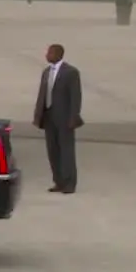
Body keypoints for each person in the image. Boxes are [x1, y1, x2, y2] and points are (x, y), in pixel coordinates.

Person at [33, 44, 84, 194]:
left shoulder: (71, 73)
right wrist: (38, 116)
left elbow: (76, 97)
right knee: (52, 150)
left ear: (58, 54)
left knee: (66, 151)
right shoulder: (46, 72)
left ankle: (70, 183)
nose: (47, 55)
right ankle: (58, 181)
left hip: (64, 118)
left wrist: (73, 117)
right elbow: (42, 95)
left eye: (49, 52)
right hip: (49, 117)